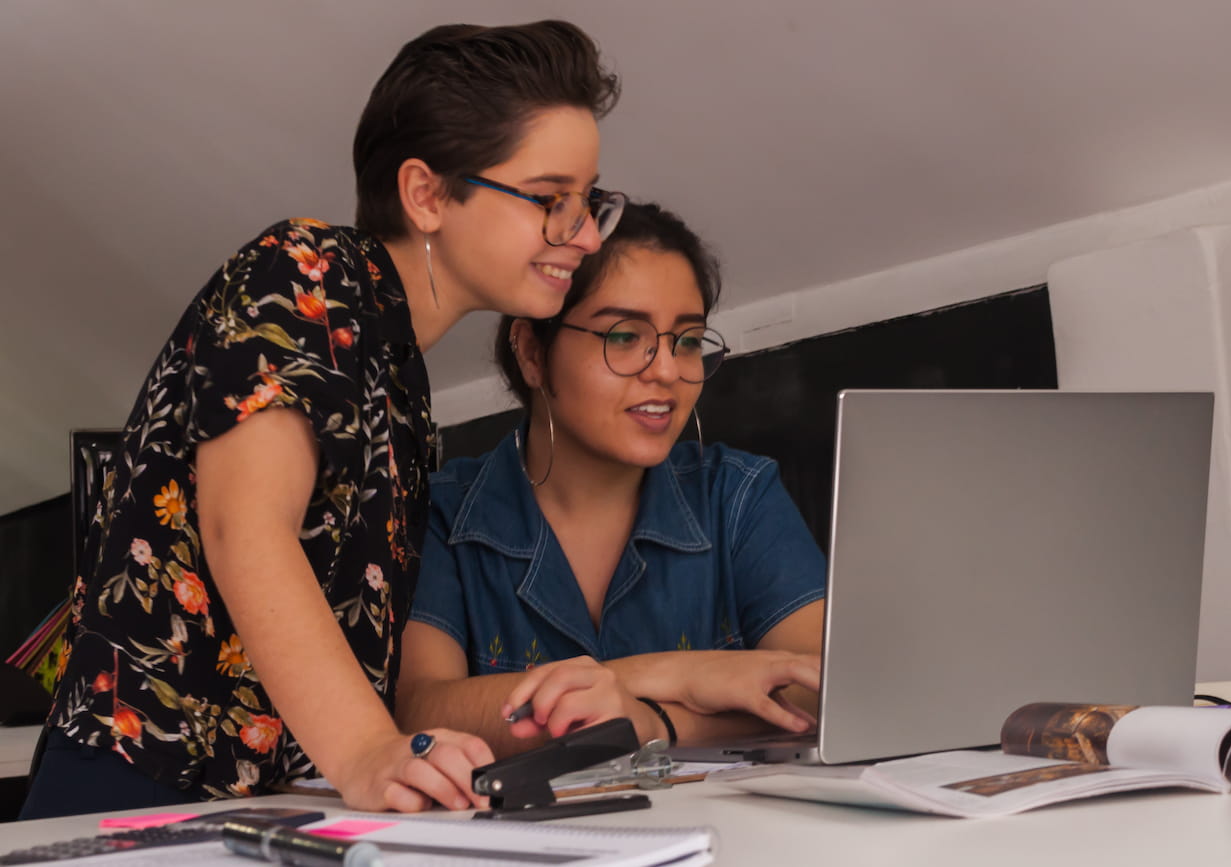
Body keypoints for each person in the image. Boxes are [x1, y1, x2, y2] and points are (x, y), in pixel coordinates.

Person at [22, 20, 626, 819]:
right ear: (427, 194)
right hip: (139, 778)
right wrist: (369, 751)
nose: (582, 235)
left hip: (254, 801)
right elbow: (248, 528)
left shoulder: (398, 372)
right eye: (552, 201)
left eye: (590, 204)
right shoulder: (302, 270)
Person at [396, 203, 826, 757]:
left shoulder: (738, 494)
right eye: (624, 336)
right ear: (532, 351)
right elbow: (422, 714)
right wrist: (676, 673)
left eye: (688, 340)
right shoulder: (442, 515)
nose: (667, 370)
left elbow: (817, 689)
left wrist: (650, 721)